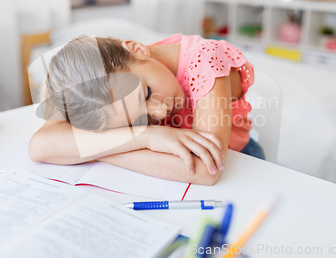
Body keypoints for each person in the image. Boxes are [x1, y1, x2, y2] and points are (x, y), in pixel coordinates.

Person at [29, 34, 264, 185]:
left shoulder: (206, 59)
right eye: (138, 119)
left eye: (147, 93)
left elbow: (205, 169)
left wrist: (99, 149)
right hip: (169, 175)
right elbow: (40, 146)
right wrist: (148, 136)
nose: (160, 113)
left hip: (240, 168)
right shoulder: (91, 92)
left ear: (137, 49)